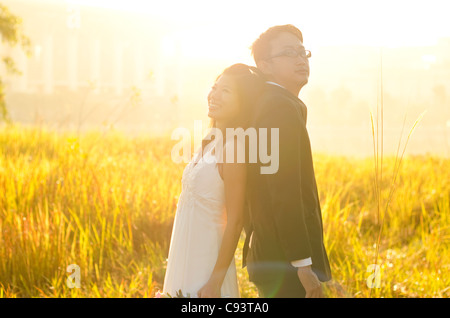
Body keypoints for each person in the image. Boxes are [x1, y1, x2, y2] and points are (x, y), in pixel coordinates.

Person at [243, 24, 332, 298]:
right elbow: (283, 191)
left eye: (303, 52)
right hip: (286, 265)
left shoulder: (269, 103)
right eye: (289, 53)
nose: (300, 59)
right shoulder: (279, 107)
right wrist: (303, 265)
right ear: (265, 66)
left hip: (273, 256)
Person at [162, 63, 264, 298]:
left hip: (206, 266)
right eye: (214, 87)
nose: (214, 95)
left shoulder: (233, 149)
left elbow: (235, 221)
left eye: (226, 91)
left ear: (243, 103)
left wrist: (214, 283)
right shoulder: (208, 142)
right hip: (183, 257)